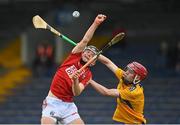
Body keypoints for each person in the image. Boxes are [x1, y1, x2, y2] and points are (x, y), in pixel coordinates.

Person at [41, 14, 107, 125]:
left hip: (68, 106)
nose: (88, 54)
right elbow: (85, 40)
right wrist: (96, 23)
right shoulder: (74, 56)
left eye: (91, 55)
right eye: (87, 51)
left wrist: (75, 80)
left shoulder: (87, 75)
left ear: (93, 63)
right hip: (53, 102)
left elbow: (76, 92)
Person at [90, 55, 148, 124]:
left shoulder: (134, 92)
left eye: (131, 72)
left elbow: (106, 92)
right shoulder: (125, 77)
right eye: (127, 69)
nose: (126, 72)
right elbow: (108, 62)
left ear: (137, 78)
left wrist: (89, 80)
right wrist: (94, 53)